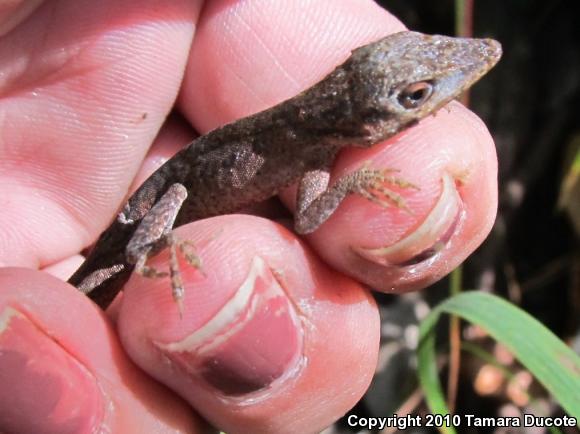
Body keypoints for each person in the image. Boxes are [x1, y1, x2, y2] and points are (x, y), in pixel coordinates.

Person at [0, 1, 498, 433]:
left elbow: (304, 220)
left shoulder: (315, 144)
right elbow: (303, 219)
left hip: (143, 194)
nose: (463, 68)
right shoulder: (312, 147)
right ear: (370, 119)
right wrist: (354, 184)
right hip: (164, 199)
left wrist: (349, 181)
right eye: (418, 94)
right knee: (128, 266)